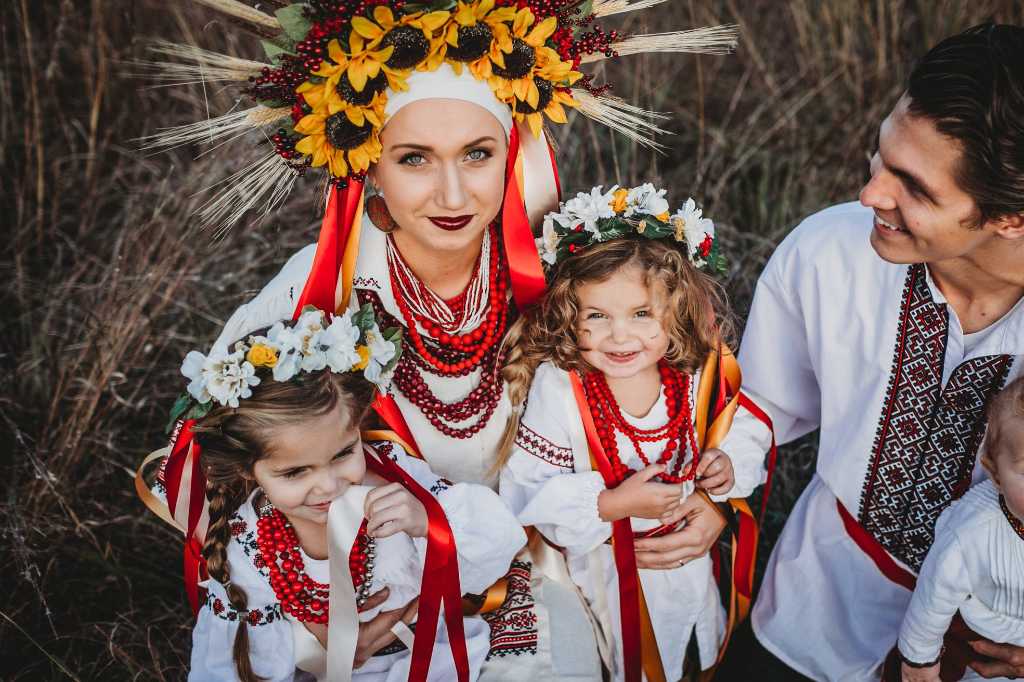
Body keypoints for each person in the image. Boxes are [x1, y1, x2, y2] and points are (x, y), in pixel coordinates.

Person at [139, 1, 744, 677]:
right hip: (374, 583)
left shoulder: (570, 278)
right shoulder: (313, 297)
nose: (452, 193)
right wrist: (312, 616)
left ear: (510, 152)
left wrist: (716, 498)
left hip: (539, 557)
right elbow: (210, 460)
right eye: (415, 158)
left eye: (477, 154)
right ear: (370, 168)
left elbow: (700, 383)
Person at [736, 23, 1024, 681]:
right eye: (879, 155)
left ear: (1012, 217)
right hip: (806, 621)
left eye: (915, 189)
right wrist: (711, 489)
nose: (870, 194)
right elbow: (761, 404)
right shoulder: (827, 251)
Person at [497, 185, 772, 680]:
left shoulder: (692, 372)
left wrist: (725, 466)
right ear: (568, 314)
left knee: (692, 651)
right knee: (631, 664)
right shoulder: (562, 389)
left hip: (689, 562)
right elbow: (527, 488)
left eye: (641, 314)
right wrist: (613, 505)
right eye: (597, 316)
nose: (619, 336)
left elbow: (744, 427)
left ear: (676, 308)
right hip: (610, 576)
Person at [179, 307, 525, 681]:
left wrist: (429, 522)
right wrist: (317, 642)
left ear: (359, 426)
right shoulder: (249, 545)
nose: (329, 486)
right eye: (295, 472)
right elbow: (241, 664)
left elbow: (496, 545)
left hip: (426, 655)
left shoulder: (397, 481)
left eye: (344, 453)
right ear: (248, 469)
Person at [894, 375, 1024, 682]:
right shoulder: (971, 534)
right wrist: (919, 663)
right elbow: (933, 599)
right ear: (994, 476)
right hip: (977, 635)